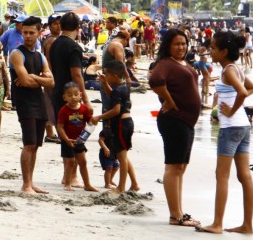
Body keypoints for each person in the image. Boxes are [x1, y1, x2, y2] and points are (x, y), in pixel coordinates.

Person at [196, 31, 253, 234]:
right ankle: (247, 225)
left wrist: (231, 109)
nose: (209, 51)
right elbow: (252, 87)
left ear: (223, 51)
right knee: (244, 176)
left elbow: (243, 92)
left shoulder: (228, 71)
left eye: (213, 48)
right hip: (243, 127)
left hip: (230, 127)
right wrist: (236, 106)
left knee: (221, 175)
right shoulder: (235, 69)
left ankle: (217, 223)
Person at [148, 28, 202, 227]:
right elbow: (155, 81)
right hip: (174, 120)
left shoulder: (183, 63)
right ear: (168, 46)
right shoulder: (166, 63)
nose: (181, 47)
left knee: (180, 168)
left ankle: (179, 212)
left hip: (186, 121)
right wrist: (168, 100)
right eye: (177, 44)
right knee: (173, 167)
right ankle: (174, 215)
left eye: (183, 43)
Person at [10, 16, 54, 194]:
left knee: (36, 145)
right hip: (25, 103)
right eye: (25, 32)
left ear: (39, 33)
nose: (27, 36)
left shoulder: (40, 56)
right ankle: (26, 184)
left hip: (39, 102)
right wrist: (39, 78)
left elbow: (51, 82)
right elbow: (25, 81)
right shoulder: (16, 54)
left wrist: (34, 77)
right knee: (28, 144)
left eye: (31, 33)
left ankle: (31, 181)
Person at [91, 61, 139, 194]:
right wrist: (105, 83)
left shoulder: (119, 89)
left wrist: (99, 117)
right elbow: (113, 95)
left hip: (121, 125)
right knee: (122, 154)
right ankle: (134, 184)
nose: (105, 76)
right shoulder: (123, 87)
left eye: (107, 75)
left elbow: (116, 110)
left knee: (121, 157)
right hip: (127, 122)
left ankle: (121, 187)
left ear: (115, 75)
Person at [49, 12, 92, 122]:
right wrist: (86, 100)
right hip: (71, 99)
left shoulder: (54, 44)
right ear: (78, 27)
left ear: (61, 26)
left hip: (57, 94)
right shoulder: (74, 47)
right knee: (73, 131)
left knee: (62, 130)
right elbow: (76, 74)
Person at [56, 82, 98, 192]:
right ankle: (67, 183)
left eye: (75, 94)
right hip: (67, 140)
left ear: (80, 95)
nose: (73, 97)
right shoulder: (63, 111)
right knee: (70, 162)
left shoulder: (84, 109)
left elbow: (90, 121)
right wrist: (65, 139)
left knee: (83, 162)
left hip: (79, 141)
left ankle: (87, 184)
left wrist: (94, 121)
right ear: (64, 97)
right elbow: (60, 127)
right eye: (69, 95)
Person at [41, 14, 62, 143]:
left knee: (49, 104)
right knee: (53, 105)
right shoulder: (52, 40)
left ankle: (50, 133)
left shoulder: (52, 39)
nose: (58, 26)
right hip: (52, 77)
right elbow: (48, 60)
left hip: (49, 77)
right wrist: (52, 77)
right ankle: (55, 133)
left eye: (60, 23)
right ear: (49, 26)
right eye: (55, 24)